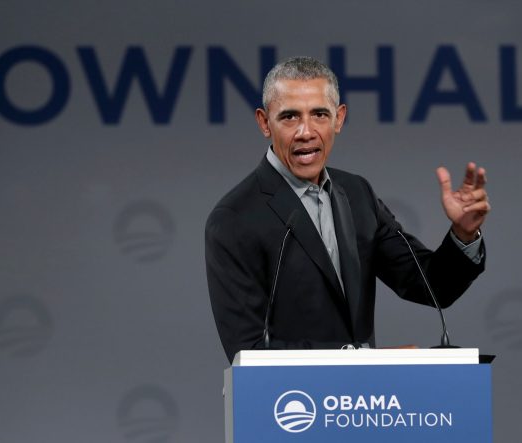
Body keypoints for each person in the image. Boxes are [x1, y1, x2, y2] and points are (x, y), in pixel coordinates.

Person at [205, 56, 490, 362]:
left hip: (361, 407)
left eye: (319, 114)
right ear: (264, 122)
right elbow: (248, 352)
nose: (305, 131)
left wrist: (463, 233)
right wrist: (361, 359)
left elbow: (432, 286)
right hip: (289, 406)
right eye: (289, 117)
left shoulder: (357, 195)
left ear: (338, 119)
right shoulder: (234, 218)